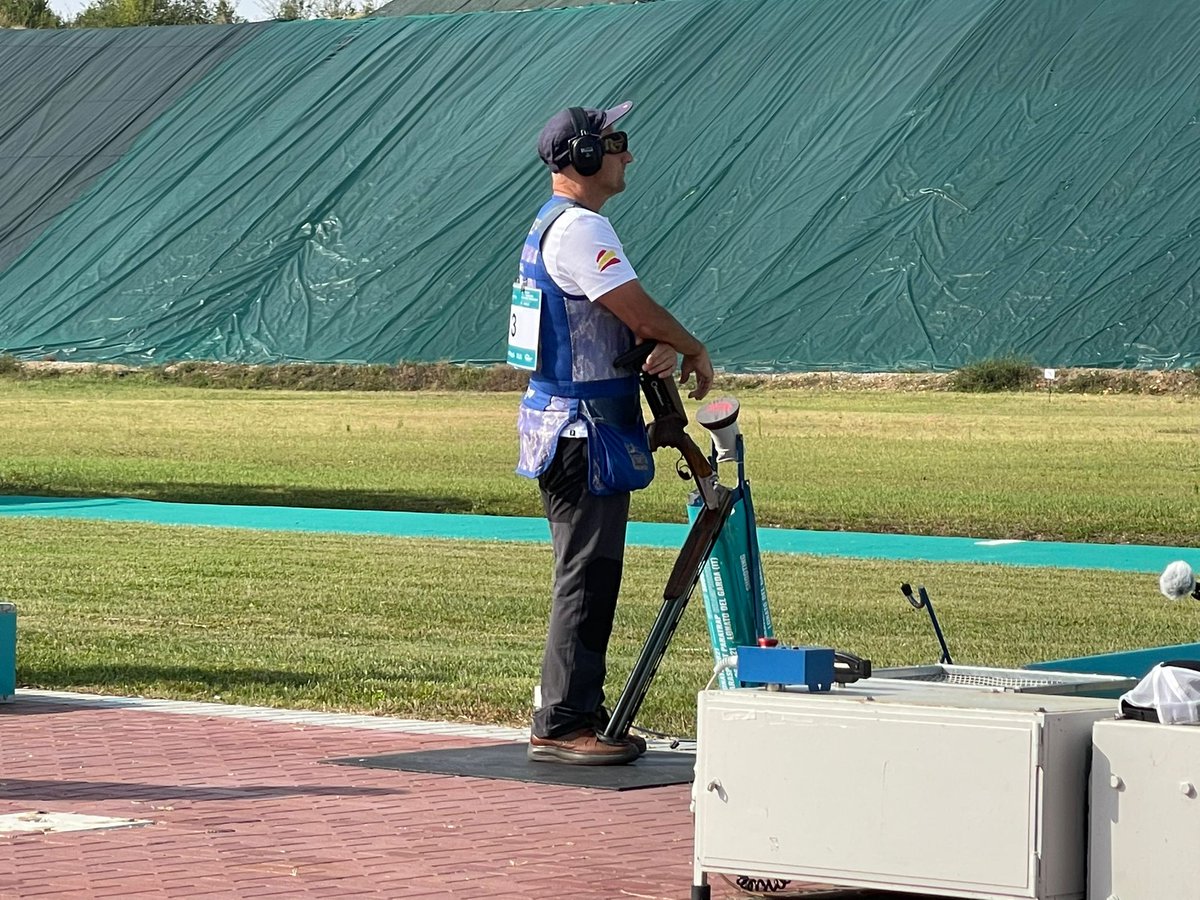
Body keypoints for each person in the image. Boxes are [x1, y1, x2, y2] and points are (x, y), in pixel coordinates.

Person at [510, 101, 714, 765]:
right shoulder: (577, 230)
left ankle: (578, 712)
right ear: (586, 158)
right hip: (580, 433)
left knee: (592, 574)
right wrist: (689, 345)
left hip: (581, 428)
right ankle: (563, 720)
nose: (628, 155)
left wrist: (650, 347)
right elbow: (632, 305)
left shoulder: (564, 226)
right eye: (616, 143)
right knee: (586, 575)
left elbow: (614, 322)